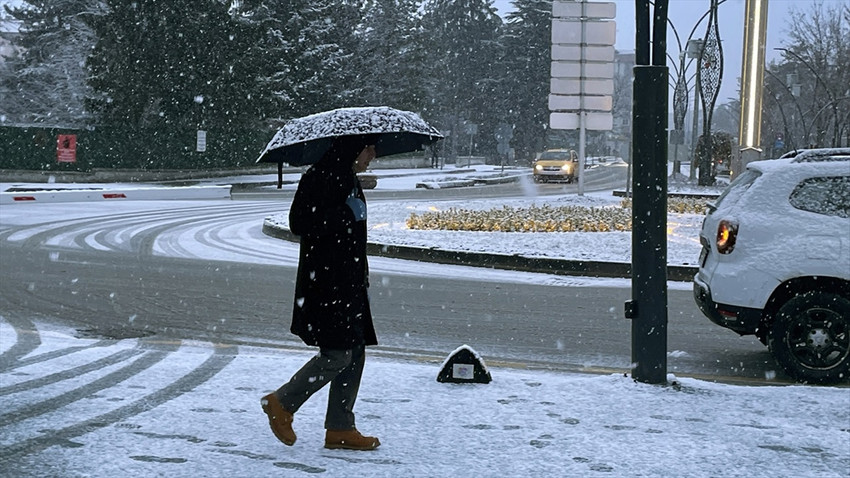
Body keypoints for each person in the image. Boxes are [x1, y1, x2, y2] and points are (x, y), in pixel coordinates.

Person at [261, 134, 381, 451]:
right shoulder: (321, 176)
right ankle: (282, 403)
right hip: (327, 284)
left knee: (354, 352)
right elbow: (300, 222)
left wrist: (362, 269)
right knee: (338, 353)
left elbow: (349, 234)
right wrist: (345, 213)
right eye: (370, 147)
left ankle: (341, 427)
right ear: (353, 148)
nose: (373, 154)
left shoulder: (347, 176)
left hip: (348, 280)